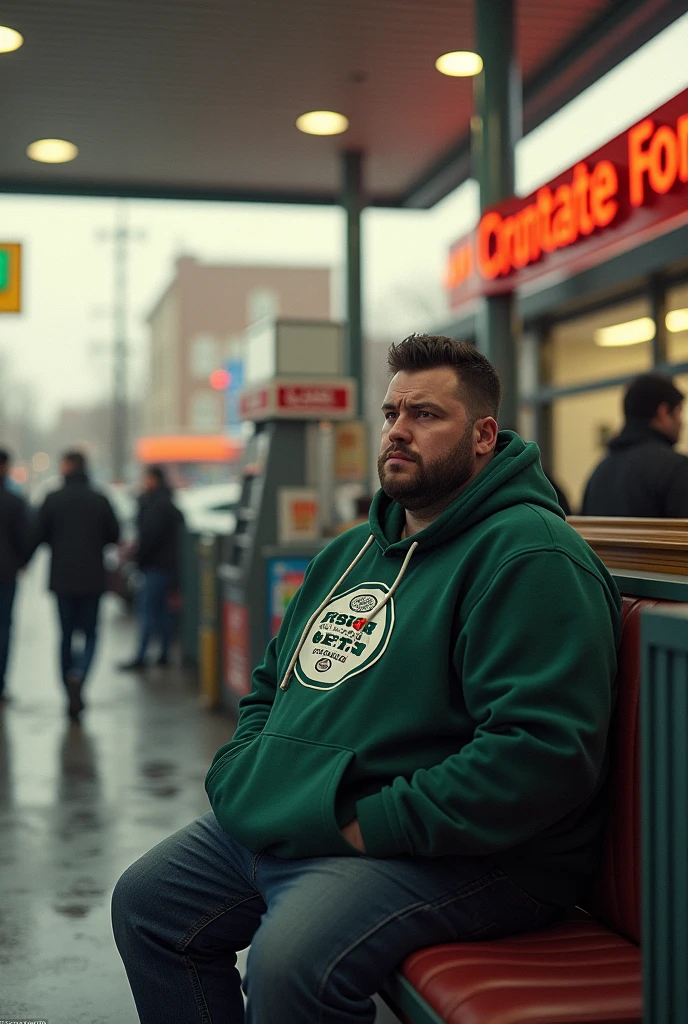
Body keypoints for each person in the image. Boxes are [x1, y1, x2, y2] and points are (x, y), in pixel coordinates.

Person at [112, 335, 621, 1024]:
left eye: (425, 415)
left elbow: (541, 756)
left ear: (483, 435)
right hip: (302, 818)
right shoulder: (350, 552)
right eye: (390, 414)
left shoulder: (531, 554)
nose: (399, 432)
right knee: (148, 904)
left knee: (293, 967)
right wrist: (241, 771)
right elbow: (271, 684)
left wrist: (368, 824)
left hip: (470, 853)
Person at [30, 450, 120, 720]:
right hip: (93, 579)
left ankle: (67, 682)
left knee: (66, 635)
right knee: (91, 633)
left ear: (67, 467)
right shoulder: (100, 499)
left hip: (62, 579)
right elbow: (114, 535)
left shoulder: (53, 498)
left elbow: (37, 534)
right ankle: (80, 675)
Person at [582, 372, 688, 517]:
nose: (682, 423)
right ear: (663, 412)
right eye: (679, 412)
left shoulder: (599, 472)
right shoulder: (676, 469)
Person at [118, 465, 183, 671]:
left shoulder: (155, 505)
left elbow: (149, 538)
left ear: (154, 479)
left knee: (147, 612)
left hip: (155, 567)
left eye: (145, 478)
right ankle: (163, 654)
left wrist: (136, 556)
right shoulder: (168, 503)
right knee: (161, 612)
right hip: (166, 567)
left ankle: (142, 656)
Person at [0, 450, 30, 701]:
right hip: (6, 573)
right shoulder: (14, 501)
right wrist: (21, 563)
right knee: (3, 627)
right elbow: (26, 538)